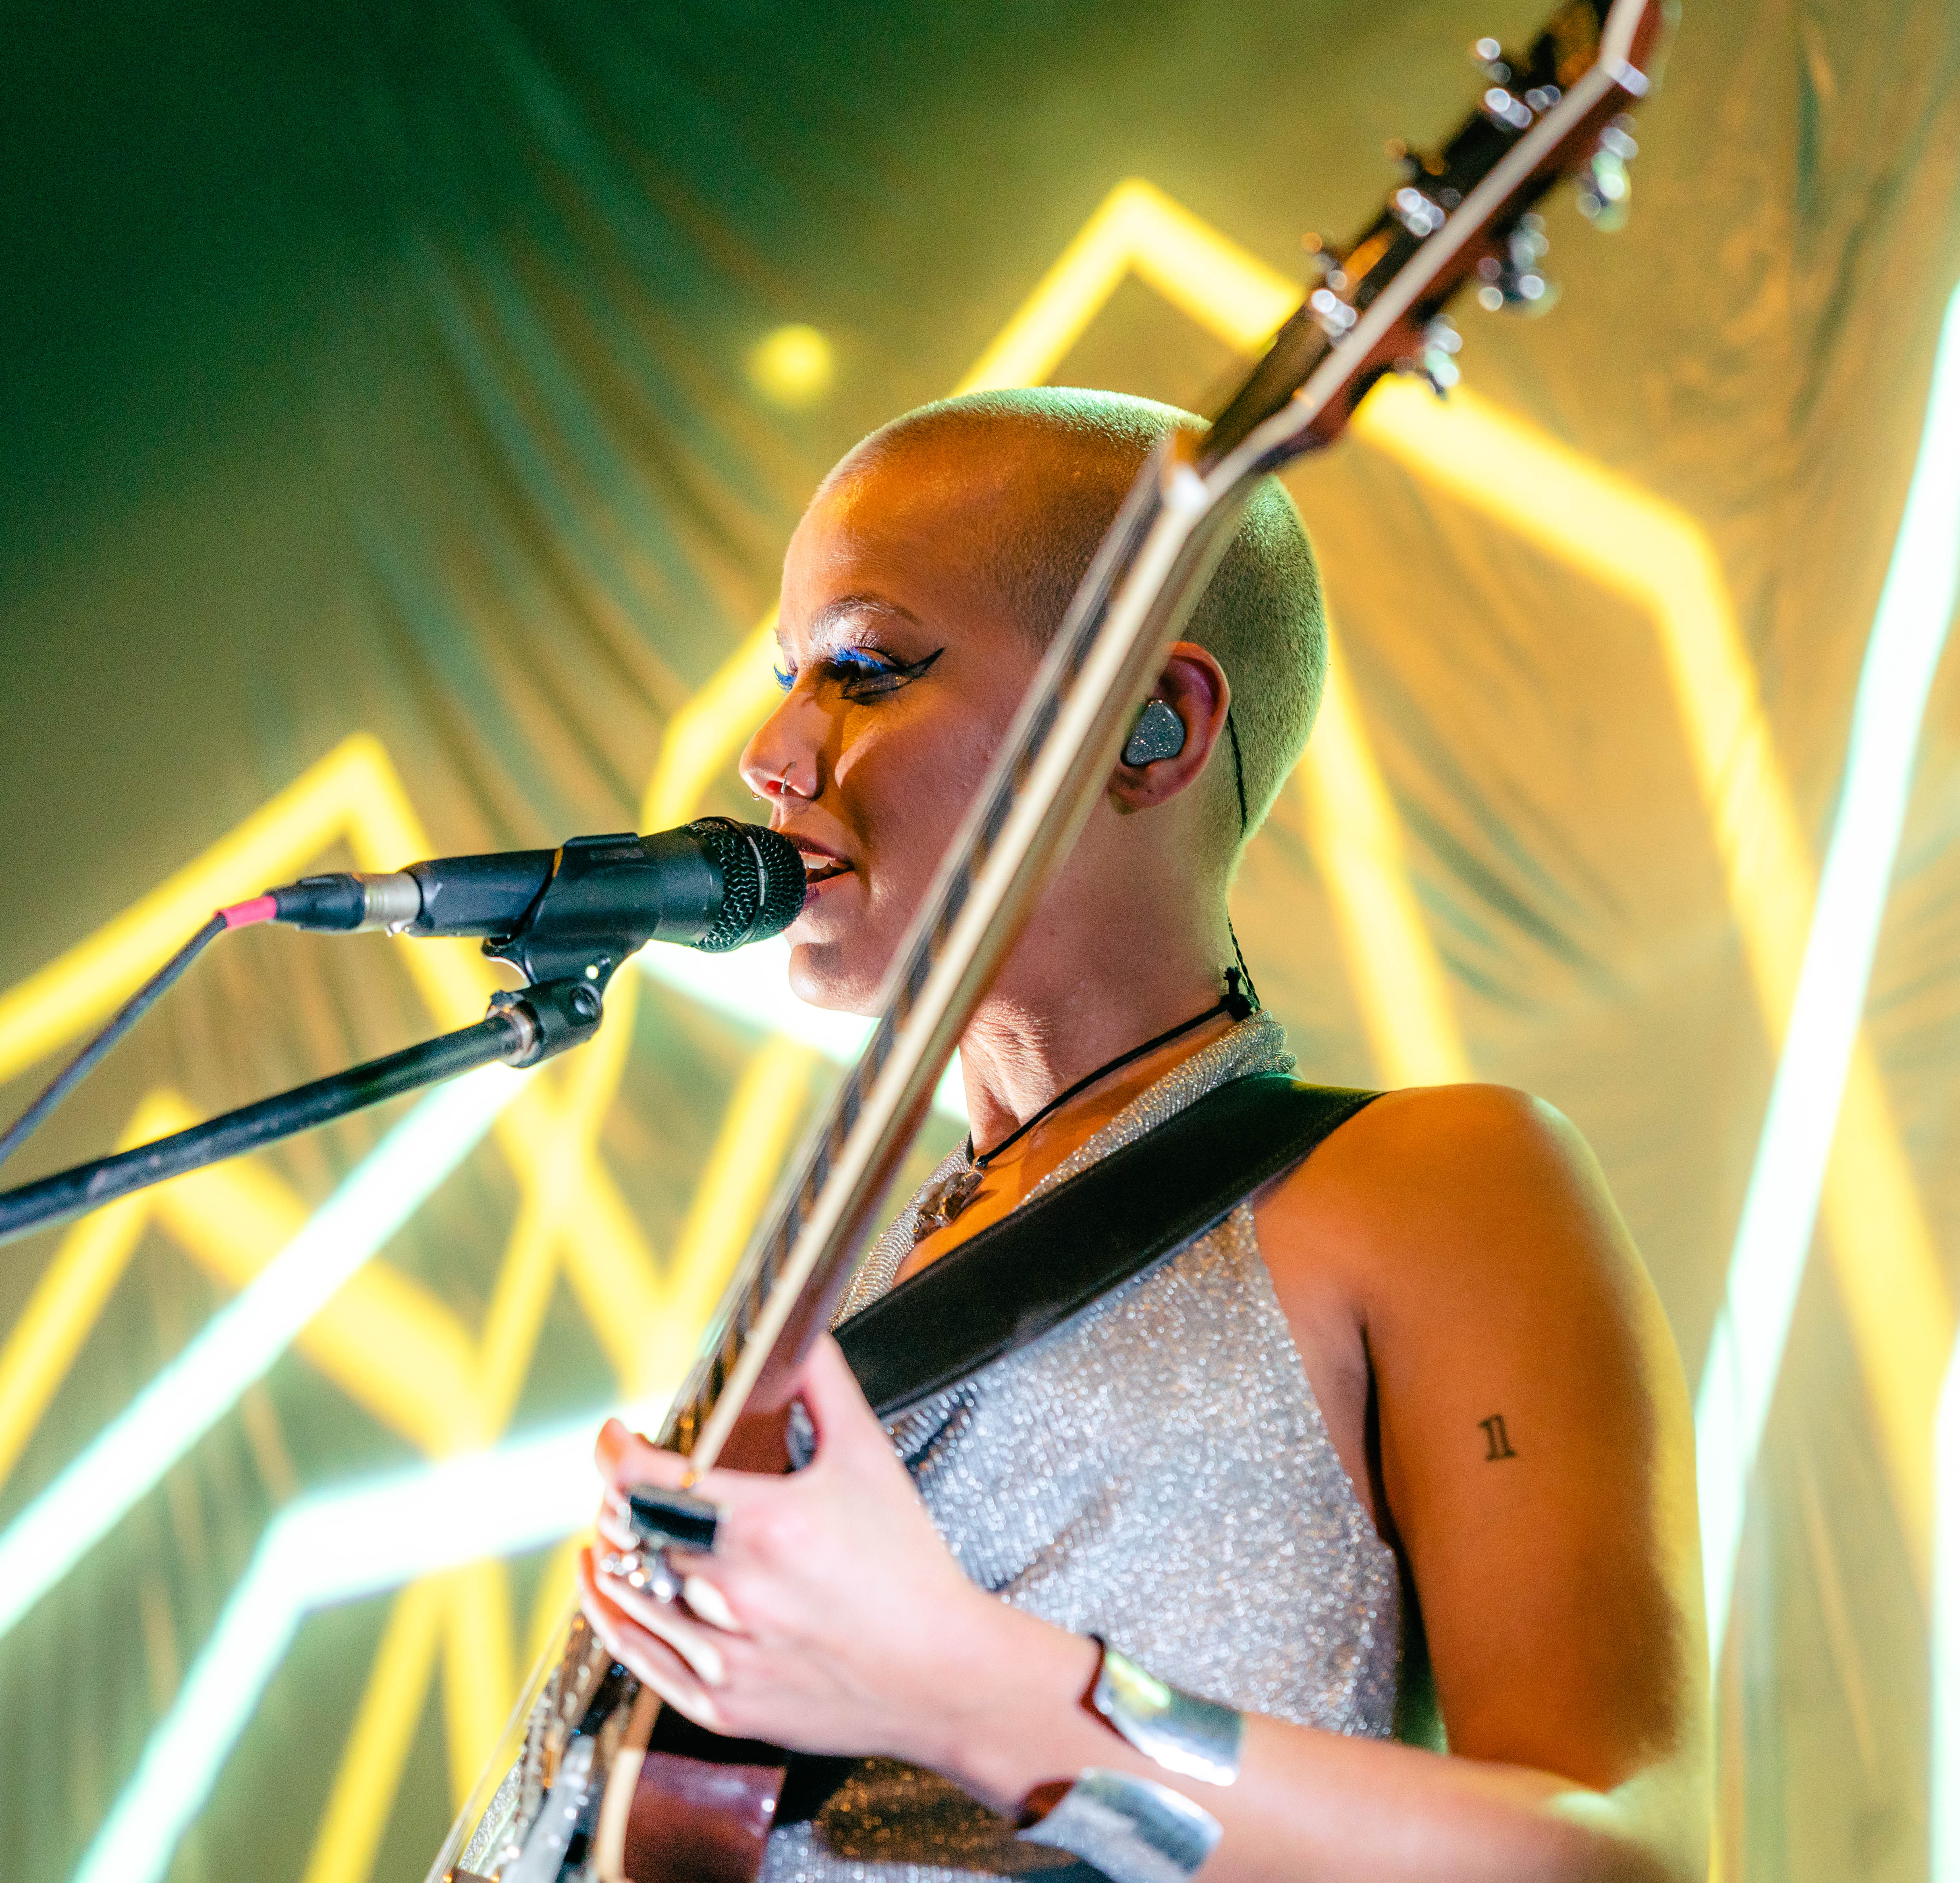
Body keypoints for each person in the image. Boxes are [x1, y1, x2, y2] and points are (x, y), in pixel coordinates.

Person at [576, 388, 1709, 1881]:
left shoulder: (1434, 1184)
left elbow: (1619, 1860)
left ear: (1152, 727)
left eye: (863, 670)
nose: (770, 755)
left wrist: (965, 1686)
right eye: (786, 677)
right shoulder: (840, 1266)